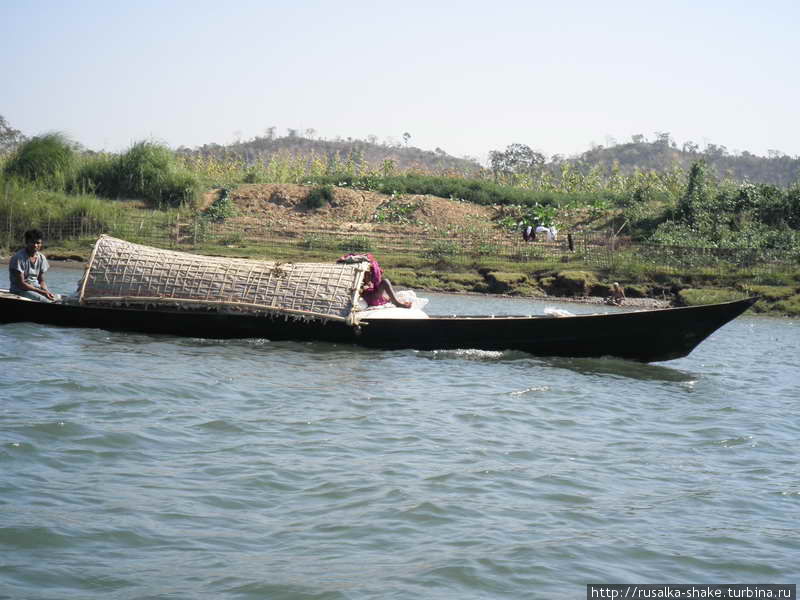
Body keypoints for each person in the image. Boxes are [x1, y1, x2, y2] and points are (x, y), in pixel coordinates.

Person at [338, 253, 411, 308]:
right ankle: (397, 303)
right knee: (385, 281)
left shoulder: (368, 275)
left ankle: (392, 300)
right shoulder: (359, 277)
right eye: (368, 273)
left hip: (372, 294)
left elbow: (371, 283)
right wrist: (364, 287)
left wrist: (369, 284)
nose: (370, 274)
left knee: (386, 293)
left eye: (370, 272)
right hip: (370, 298)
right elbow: (358, 290)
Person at [8, 229, 59, 302]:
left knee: (56, 299)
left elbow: (41, 280)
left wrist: (45, 290)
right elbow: (21, 284)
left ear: (41, 244)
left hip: (35, 288)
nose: (35, 245)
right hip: (19, 290)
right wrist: (41, 292)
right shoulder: (19, 258)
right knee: (46, 301)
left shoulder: (41, 257)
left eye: (38, 243)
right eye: (32, 242)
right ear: (27, 242)